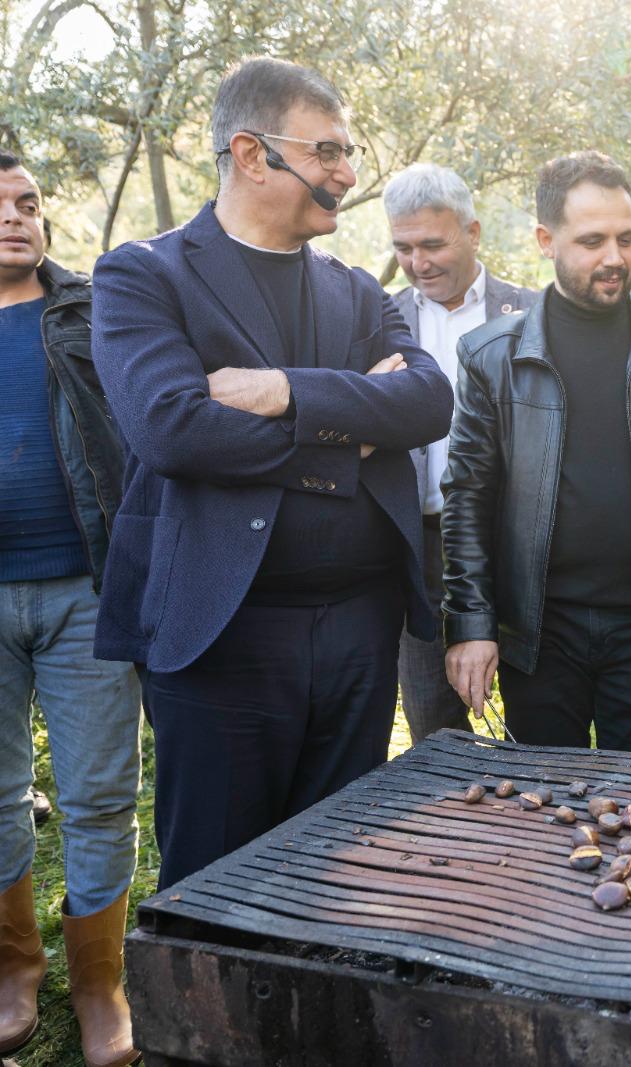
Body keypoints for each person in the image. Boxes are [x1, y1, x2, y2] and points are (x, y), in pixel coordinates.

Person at [91, 58, 453, 891]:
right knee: (219, 882)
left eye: (348, 151)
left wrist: (281, 392)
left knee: (332, 874)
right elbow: (173, 428)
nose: (348, 175)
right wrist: (348, 433)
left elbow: (426, 401)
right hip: (222, 635)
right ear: (252, 154)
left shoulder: (360, 291)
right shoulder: (144, 275)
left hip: (364, 630)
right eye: (327, 151)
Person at [443, 151, 631, 756]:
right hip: (540, 634)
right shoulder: (490, 357)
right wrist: (471, 624)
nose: (614, 259)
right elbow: (467, 497)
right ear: (546, 240)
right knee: (549, 819)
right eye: (593, 240)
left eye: (626, 239)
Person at [0, 152, 141, 1067]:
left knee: (97, 795)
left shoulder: (88, 311)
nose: (16, 217)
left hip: (88, 588)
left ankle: (100, 983)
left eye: (28, 202)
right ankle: (14, 968)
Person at [384, 163, 535, 744]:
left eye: (432, 244)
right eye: (403, 247)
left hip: (514, 540)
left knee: (533, 715)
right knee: (433, 721)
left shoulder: (532, 314)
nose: (419, 263)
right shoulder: (378, 320)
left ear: (472, 233)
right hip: (417, 547)